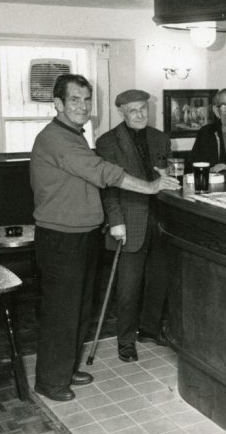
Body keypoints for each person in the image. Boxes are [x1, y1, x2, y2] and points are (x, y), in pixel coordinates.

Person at [30, 74, 179, 402]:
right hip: (61, 239)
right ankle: (50, 382)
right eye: (74, 100)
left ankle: (65, 370)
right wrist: (151, 186)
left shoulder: (74, 135)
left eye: (86, 99)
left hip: (82, 236)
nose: (83, 106)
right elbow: (103, 173)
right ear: (57, 104)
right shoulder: (57, 139)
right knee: (62, 313)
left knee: (80, 310)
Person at [96, 89, 172, 363]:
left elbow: (166, 176)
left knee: (159, 280)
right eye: (133, 111)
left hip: (160, 220)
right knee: (128, 288)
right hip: (128, 222)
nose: (140, 115)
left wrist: (171, 174)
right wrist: (115, 221)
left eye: (143, 109)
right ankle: (125, 341)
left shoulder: (160, 138)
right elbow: (109, 187)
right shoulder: (107, 142)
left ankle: (149, 330)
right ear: (121, 113)